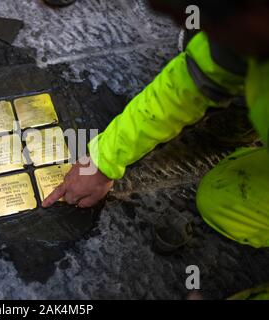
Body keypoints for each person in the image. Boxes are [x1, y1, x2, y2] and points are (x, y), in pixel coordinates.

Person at [42, 0, 269, 250]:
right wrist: (103, 160)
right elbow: (189, 83)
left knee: (228, 210)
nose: (176, 21)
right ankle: (248, 104)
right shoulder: (241, 27)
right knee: (224, 201)